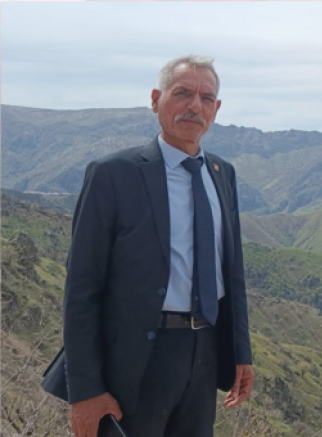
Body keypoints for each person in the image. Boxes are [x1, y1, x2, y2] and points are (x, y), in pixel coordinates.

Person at [41, 55, 255, 437]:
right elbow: (82, 290)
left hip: (204, 352)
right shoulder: (113, 174)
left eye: (207, 98)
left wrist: (241, 352)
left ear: (216, 109)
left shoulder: (223, 174)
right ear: (156, 99)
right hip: (135, 359)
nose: (195, 105)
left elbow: (231, 272)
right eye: (182, 93)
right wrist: (86, 390)